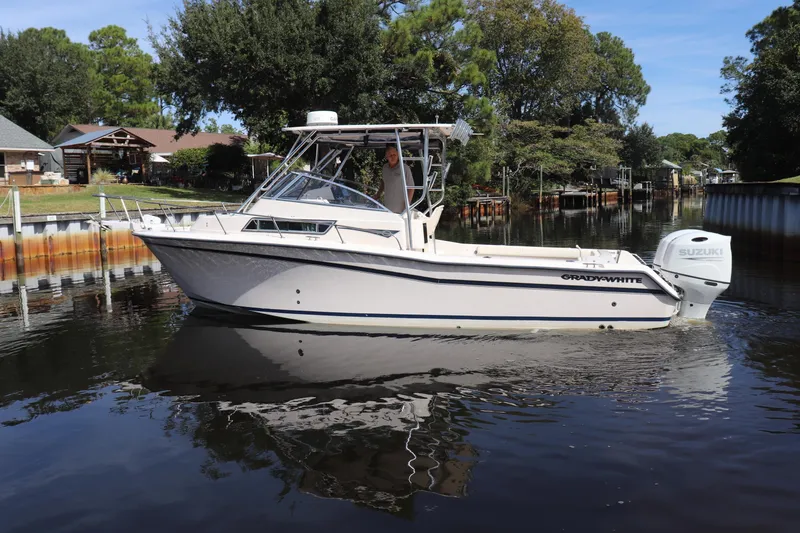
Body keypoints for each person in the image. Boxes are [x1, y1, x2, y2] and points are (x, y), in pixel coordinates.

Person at [375, 144, 414, 213]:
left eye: (394, 155)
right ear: (386, 157)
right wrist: (378, 195)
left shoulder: (405, 168)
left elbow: (411, 188)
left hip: (401, 210)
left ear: (398, 155)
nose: (392, 157)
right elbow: (384, 182)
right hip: (387, 207)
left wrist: (406, 207)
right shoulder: (385, 168)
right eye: (390, 155)